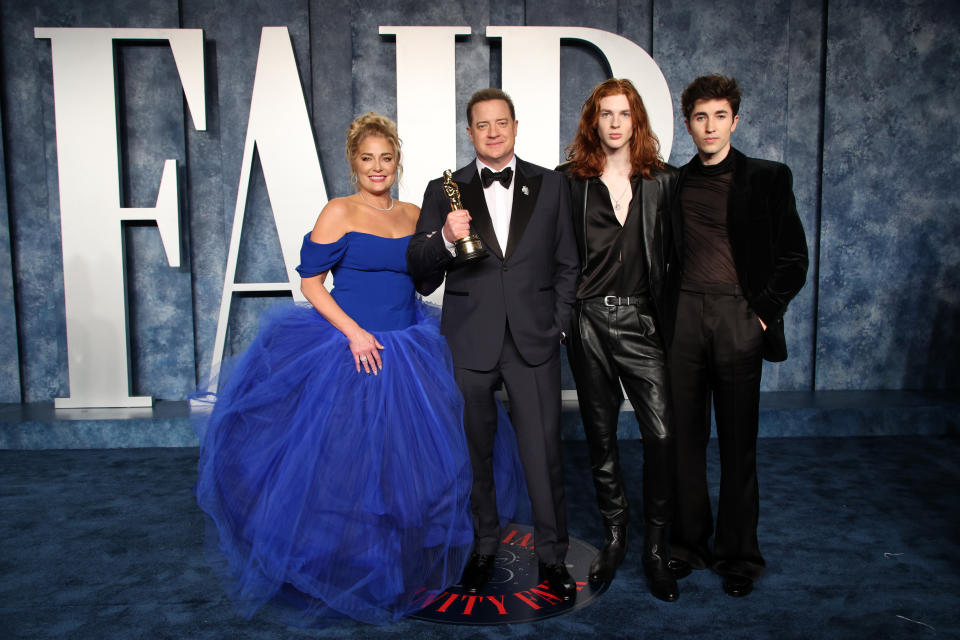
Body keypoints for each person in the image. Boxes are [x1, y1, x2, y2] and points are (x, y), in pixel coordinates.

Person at [192, 112, 524, 625]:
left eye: (386, 158)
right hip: (351, 347)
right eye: (367, 159)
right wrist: (353, 332)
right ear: (353, 162)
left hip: (410, 346)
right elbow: (310, 284)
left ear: (397, 163)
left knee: (412, 461)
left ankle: (404, 557)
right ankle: (352, 562)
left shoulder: (415, 212)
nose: (377, 167)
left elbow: (424, 277)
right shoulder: (338, 212)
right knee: (348, 463)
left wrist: (456, 243)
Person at [406, 88, 579, 600]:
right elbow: (419, 274)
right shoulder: (445, 190)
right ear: (470, 132)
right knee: (473, 451)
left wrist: (560, 325)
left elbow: (569, 264)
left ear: (516, 126)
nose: (494, 132)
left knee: (543, 452)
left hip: (534, 340)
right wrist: (442, 237)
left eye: (501, 122)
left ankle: (552, 556)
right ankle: (483, 545)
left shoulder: (550, 185)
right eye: (483, 125)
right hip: (469, 342)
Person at [667, 75, 808, 598]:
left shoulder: (769, 178)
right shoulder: (672, 184)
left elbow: (794, 258)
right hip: (683, 318)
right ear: (688, 124)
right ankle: (686, 546)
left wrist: (763, 315)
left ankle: (739, 558)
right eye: (700, 117)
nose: (709, 126)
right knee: (684, 442)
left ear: (735, 120)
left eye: (719, 116)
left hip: (738, 317)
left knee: (737, 444)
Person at [557, 78, 680, 602]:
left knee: (662, 437)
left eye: (623, 114)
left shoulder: (665, 181)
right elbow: (551, 255)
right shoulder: (570, 182)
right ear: (593, 121)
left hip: (643, 322)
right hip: (587, 323)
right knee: (601, 439)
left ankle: (655, 548)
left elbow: (682, 255)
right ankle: (615, 539)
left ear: (636, 122)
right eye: (605, 114)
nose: (614, 123)